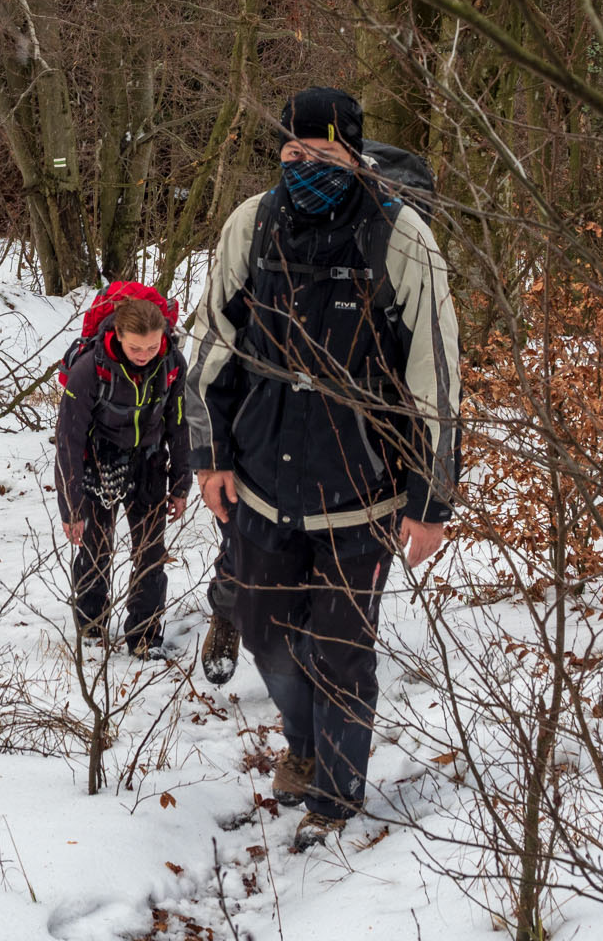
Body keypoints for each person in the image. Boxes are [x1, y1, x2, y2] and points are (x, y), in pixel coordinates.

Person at [185, 86, 460, 851]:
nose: (305, 166)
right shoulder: (253, 223)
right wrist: (207, 457)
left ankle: (336, 798)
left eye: (324, 154)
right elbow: (212, 343)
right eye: (293, 152)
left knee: (340, 652)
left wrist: (430, 499)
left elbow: (438, 374)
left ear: (355, 154)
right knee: (269, 637)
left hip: (360, 495)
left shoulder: (399, 238)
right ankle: (300, 745)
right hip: (261, 489)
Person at [55, 292, 192, 658]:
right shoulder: (89, 370)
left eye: (152, 346)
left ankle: (145, 637)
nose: (145, 355)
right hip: (97, 462)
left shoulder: (172, 364)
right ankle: (90, 625)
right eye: (136, 348)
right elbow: (68, 440)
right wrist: (71, 509)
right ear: (117, 335)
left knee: (150, 552)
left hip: (148, 463)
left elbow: (179, 425)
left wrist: (181, 483)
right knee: (97, 548)